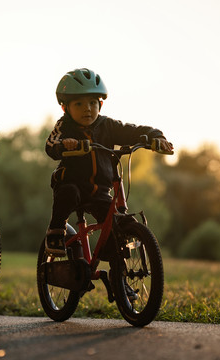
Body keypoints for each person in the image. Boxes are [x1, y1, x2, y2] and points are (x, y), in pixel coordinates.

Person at [44, 68, 173, 257]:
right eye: (78, 104)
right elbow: (51, 144)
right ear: (65, 108)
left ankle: (116, 269)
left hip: (100, 192)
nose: (87, 108)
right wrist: (64, 145)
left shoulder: (108, 126)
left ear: (100, 105)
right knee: (68, 193)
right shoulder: (64, 126)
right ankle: (55, 231)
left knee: (118, 225)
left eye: (92, 103)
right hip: (72, 184)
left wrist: (156, 137)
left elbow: (133, 131)